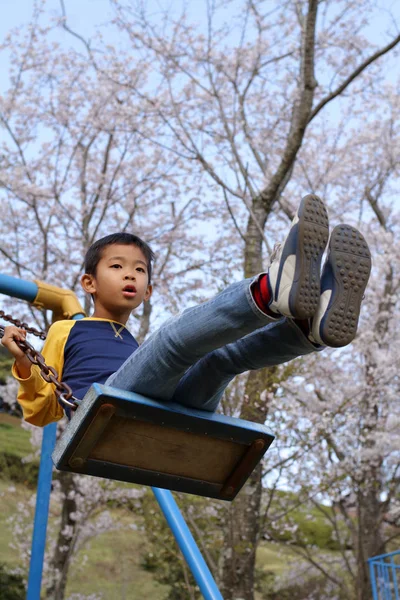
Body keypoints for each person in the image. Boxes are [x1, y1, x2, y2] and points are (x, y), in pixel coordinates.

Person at [1, 195, 372, 427]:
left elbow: (155, 368)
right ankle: (271, 291)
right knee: (172, 344)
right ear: (88, 284)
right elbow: (40, 411)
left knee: (221, 360)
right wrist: (22, 363)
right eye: (116, 267)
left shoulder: (132, 343)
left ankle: (305, 331)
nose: (130, 273)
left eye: (140, 270)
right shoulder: (67, 330)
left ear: (148, 291)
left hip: (167, 409)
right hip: (100, 409)